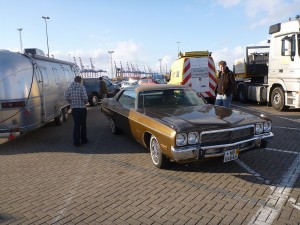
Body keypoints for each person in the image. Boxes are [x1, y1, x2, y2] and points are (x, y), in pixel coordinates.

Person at [64, 76, 89, 146]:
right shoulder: (81, 87)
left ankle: (76, 141)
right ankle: (84, 139)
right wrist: (85, 102)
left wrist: (70, 102)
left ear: (74, 80)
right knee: (83, 124)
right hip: (82, 109)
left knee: (76, 125)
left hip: (74, 109)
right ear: (80, 80)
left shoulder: (70, 88)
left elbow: (65, 96)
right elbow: (85, 98)